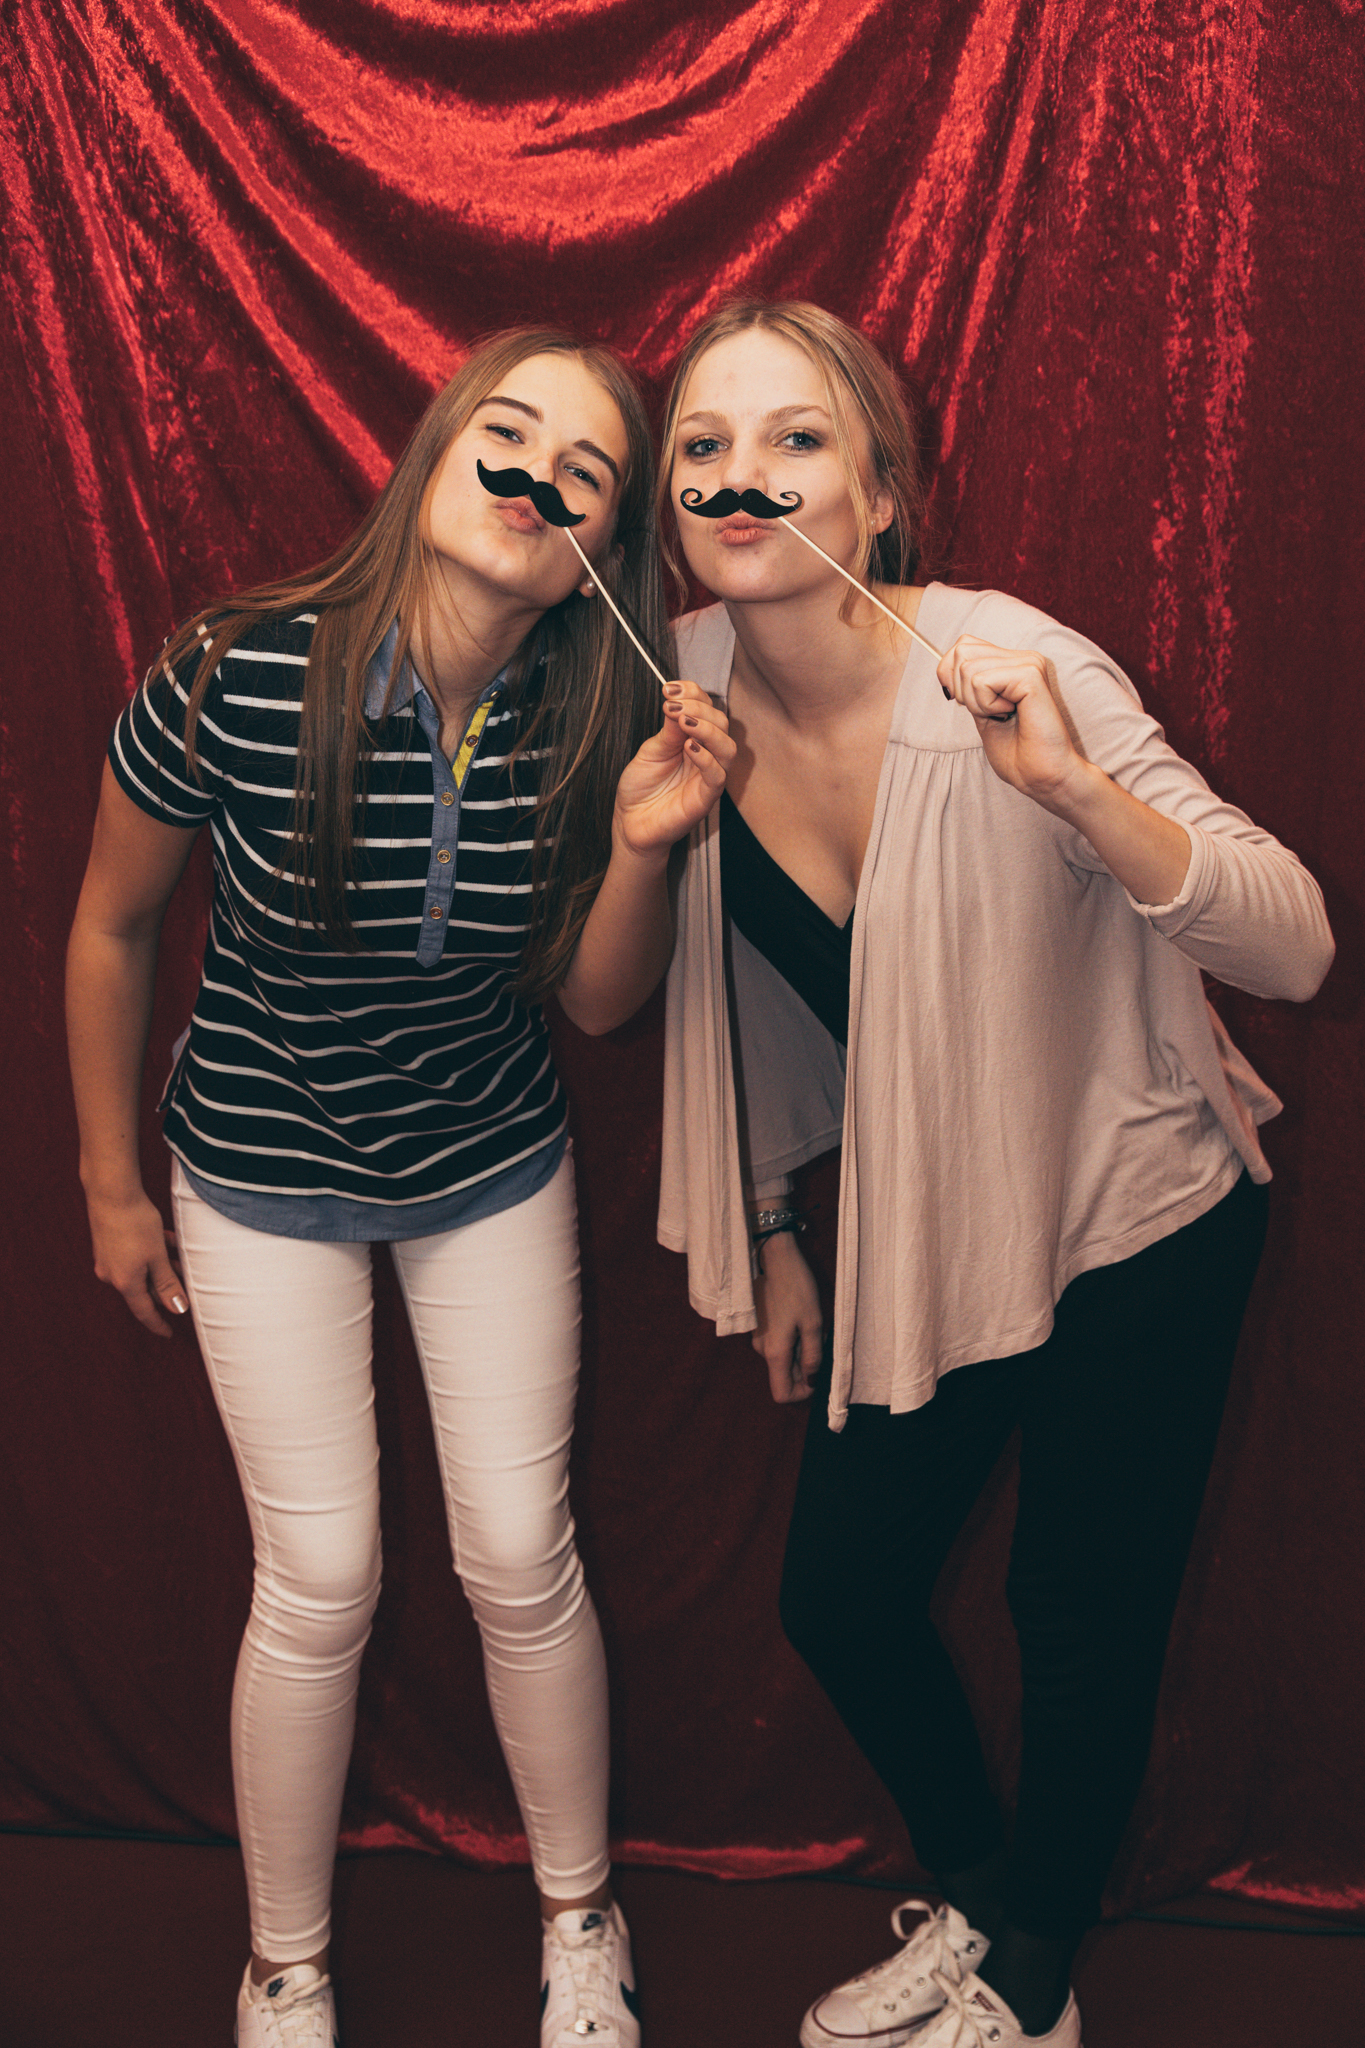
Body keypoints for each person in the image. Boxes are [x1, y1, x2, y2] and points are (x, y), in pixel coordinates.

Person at [654, 299, 1333, 2048]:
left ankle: (1032, 1988)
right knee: (838, 1594)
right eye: (702, 445)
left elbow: (1296, 944)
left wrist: (1075, 792)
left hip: (1136, 1218)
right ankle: (972, 1891)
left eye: (794, 437)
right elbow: (759, 977)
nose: (741, 473)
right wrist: (775, 1221)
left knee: (1073, 1617)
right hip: (937, 1226)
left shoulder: (1015, 660)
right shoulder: (687, 681)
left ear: (877, 497)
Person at [66, 328, 733, 2048]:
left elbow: (598, 1007)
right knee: (323, 1574)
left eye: (583, 472)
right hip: (255, 1164)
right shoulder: (231, 668)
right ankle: (282, 1967)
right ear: (435, 454)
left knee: (519, 1551)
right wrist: (110, 1183)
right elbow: (112, 924)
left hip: (484, 1164)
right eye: (508, 433)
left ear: (600, 546)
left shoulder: (595, 715)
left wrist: (644, 844)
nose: (534, 477)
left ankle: (579, 1921)